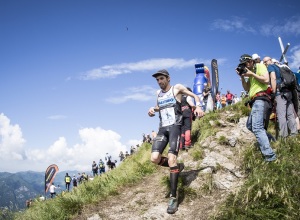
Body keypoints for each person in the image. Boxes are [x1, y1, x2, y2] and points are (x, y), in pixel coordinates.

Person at [148, 69, 204, 214]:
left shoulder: (177, 88)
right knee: (154, 158)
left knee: (171, 159)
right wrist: (152, 110)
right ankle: (176, 167)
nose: (159, 82)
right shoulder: (158, 94)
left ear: (168, 78)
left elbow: (194, 95)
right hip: (162, 128)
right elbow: (160, 107)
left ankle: (173, 197)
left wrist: (198, 106)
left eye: (161, 79)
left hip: (175, 127)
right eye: (157, 80)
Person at [237, 54, 276, 162]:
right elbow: (247, 88)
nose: (247, 65)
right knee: (250, 125)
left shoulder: (259, 66)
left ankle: (270, 157)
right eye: (244, 64)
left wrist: (252, 74)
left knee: (257, 127)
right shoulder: (250, 74)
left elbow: (266, 80)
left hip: (261, 98)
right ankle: (271, 139)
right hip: (254, 101)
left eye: (248, 62)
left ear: (252, 61)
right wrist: (242, 77)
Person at [263, 56, 298, 138]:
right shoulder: (280, 67)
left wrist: (274, 92)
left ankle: (284, 136)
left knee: (281, 115)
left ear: (270, 60)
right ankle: (294, 134)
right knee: (290, 114)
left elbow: (273, 78)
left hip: (280, 93)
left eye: (265, 61)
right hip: (288, 92)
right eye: (264, 62)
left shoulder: (271, 67)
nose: (264, 63)